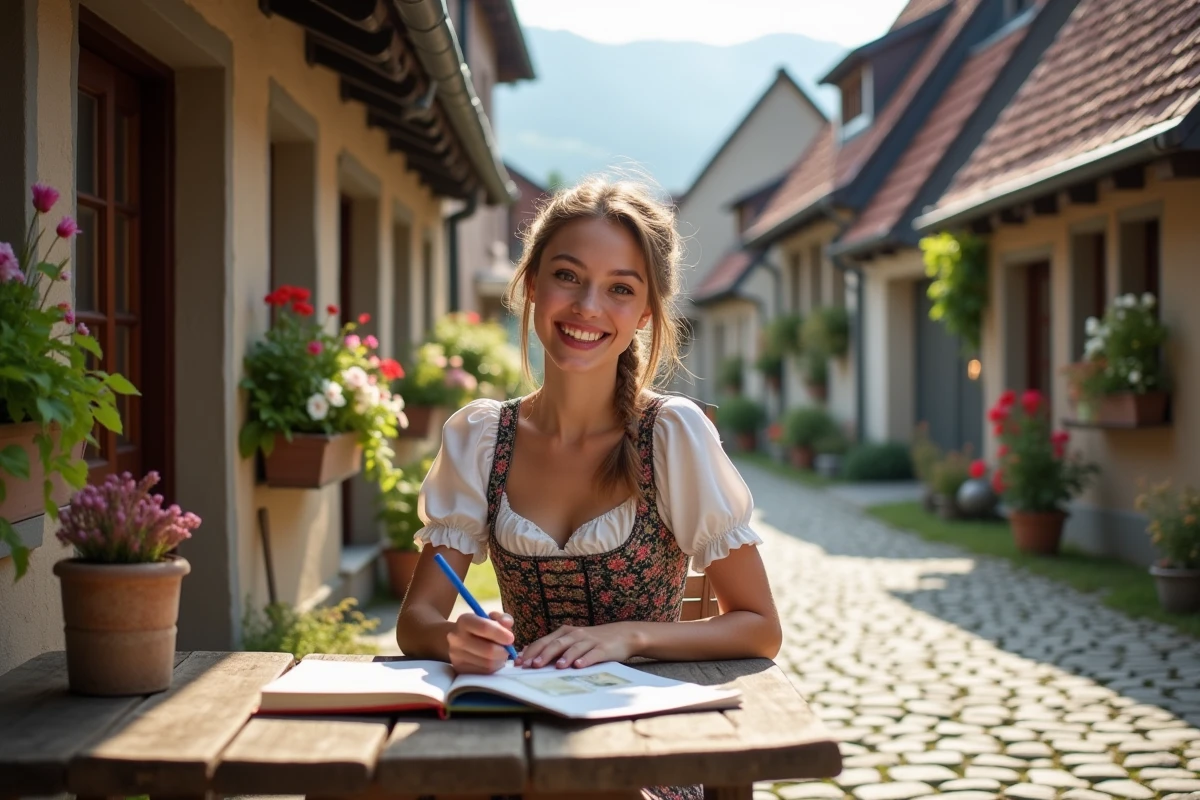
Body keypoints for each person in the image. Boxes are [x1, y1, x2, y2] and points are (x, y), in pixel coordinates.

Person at [395, 176, 782, 800]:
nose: (587, 307)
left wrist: (629, 637)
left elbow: (759, 626)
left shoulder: (671, 435)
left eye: (620, 289)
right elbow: (417, 620)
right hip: (513, 735)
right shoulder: (479, 438)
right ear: (530, 285)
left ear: (646, 313)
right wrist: (459, 639)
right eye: (568, 276)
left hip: (643, 757)